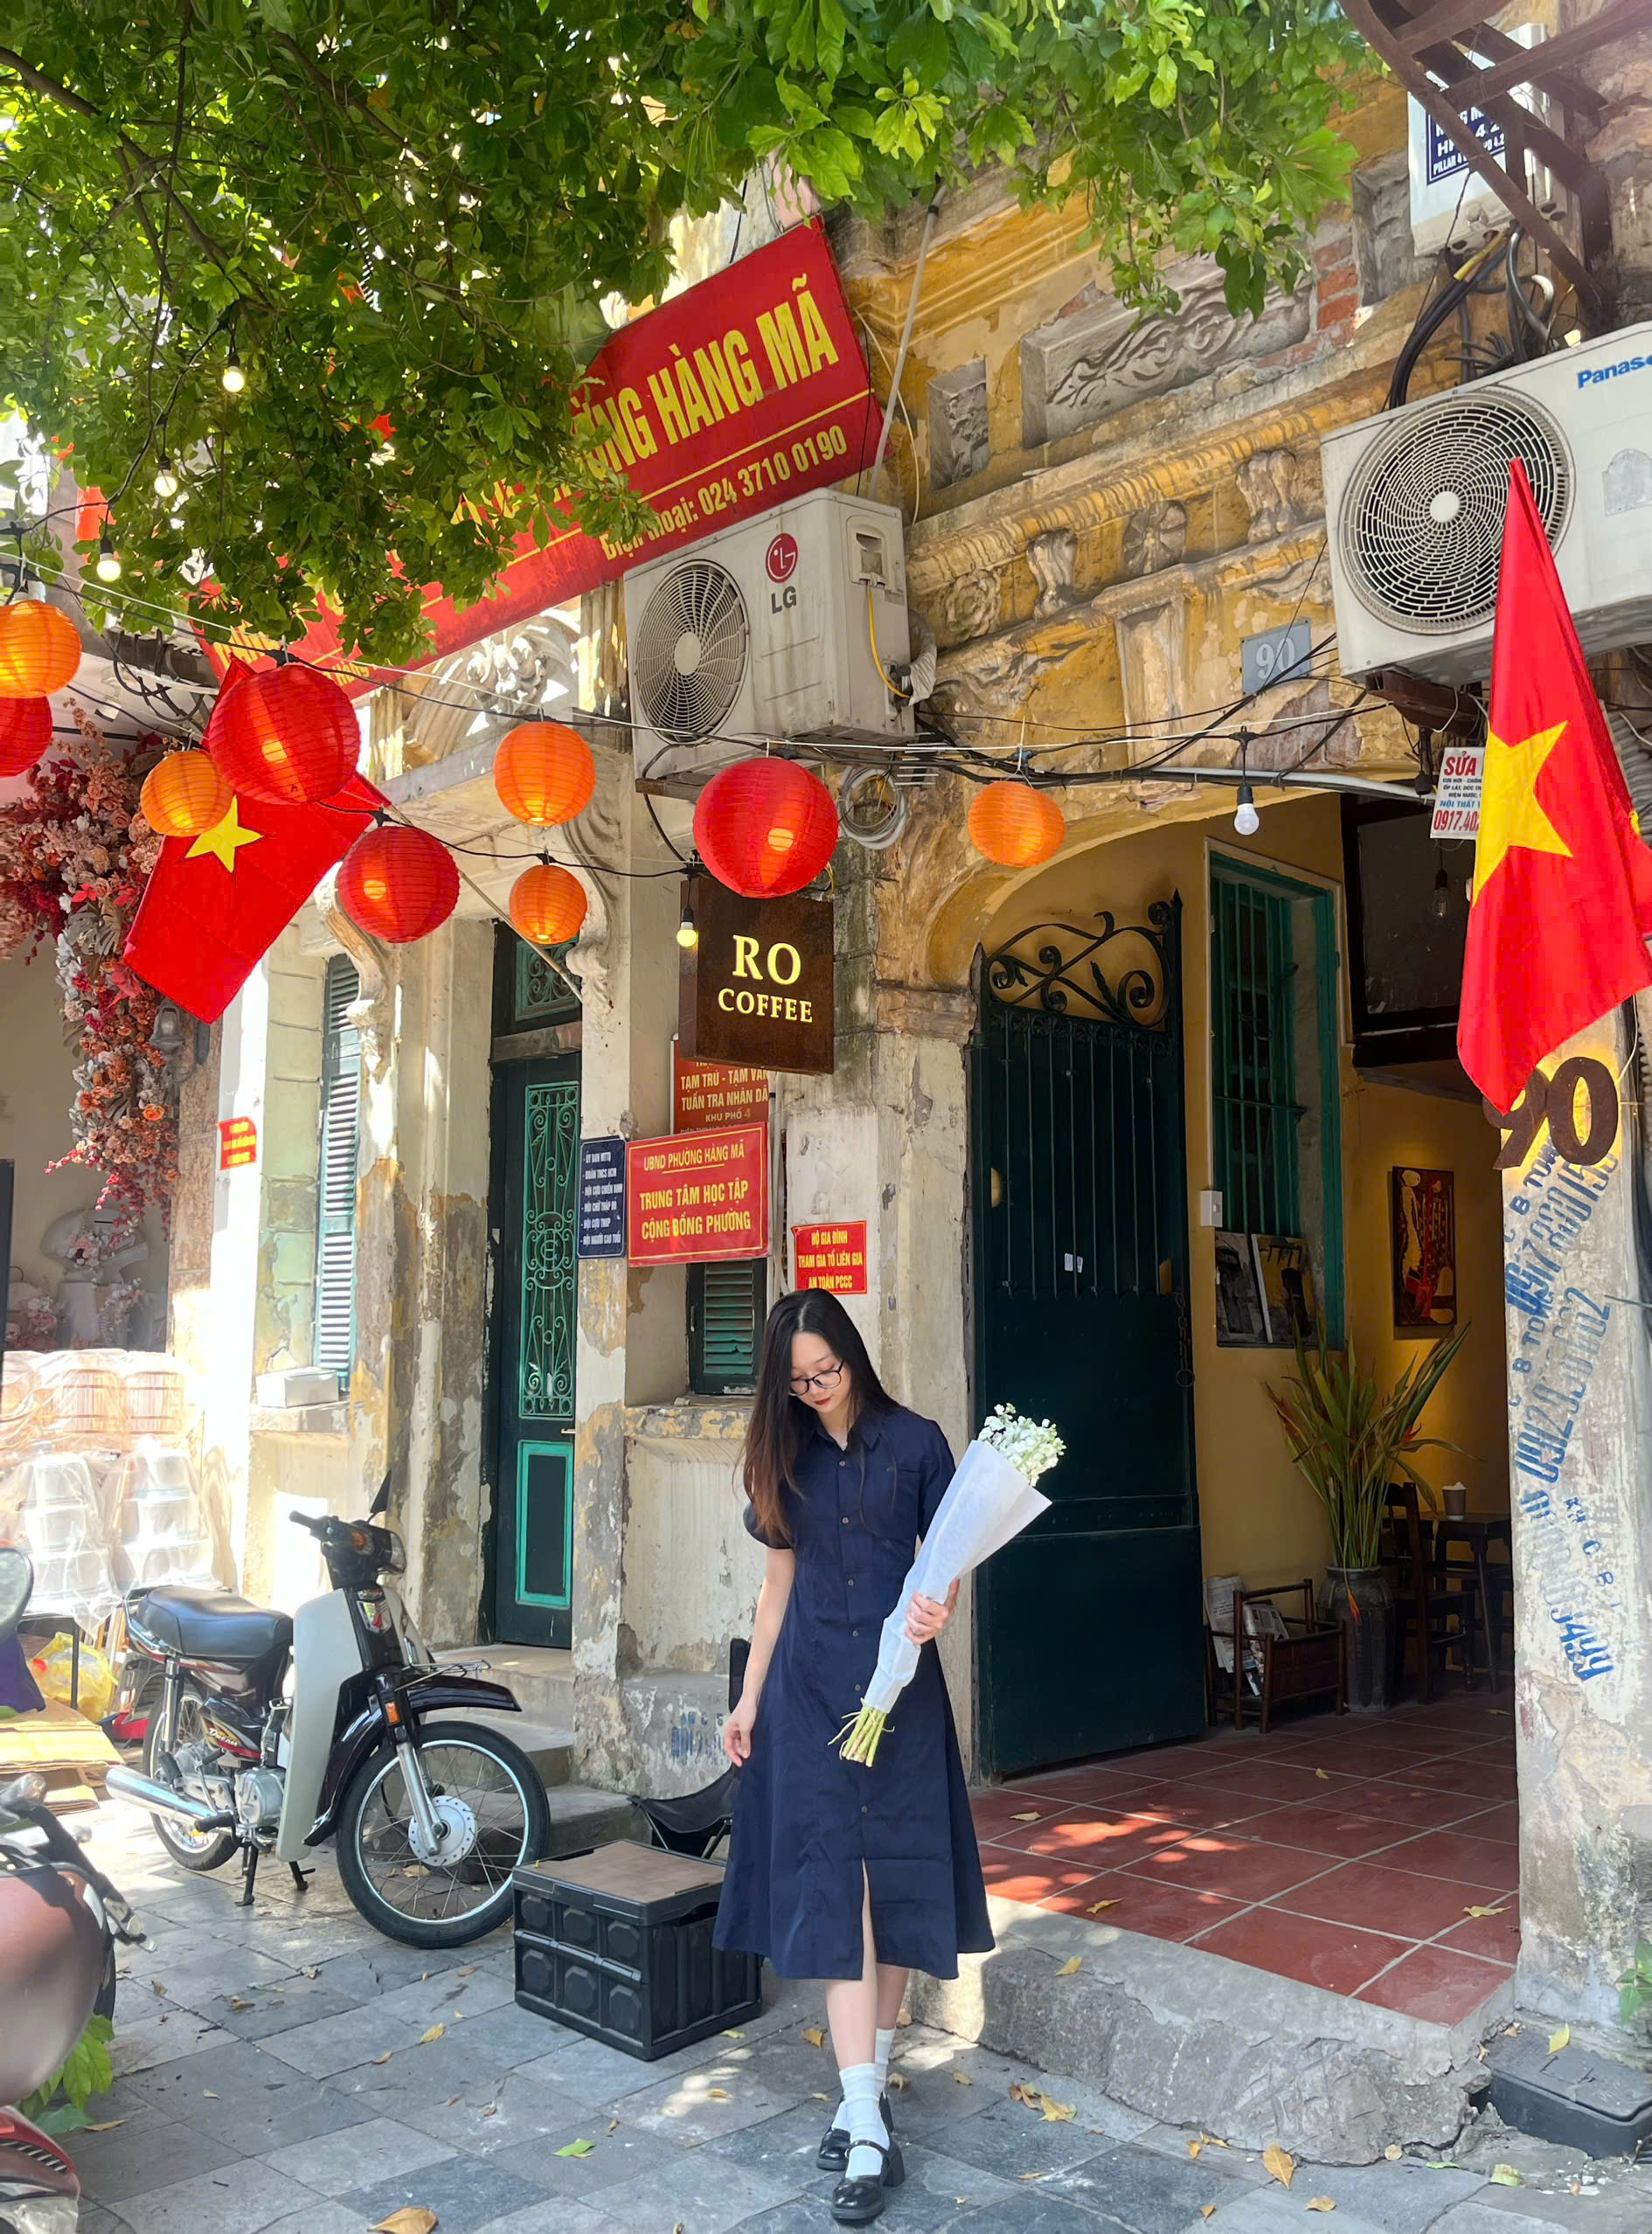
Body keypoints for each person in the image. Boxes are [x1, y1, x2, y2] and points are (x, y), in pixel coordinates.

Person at [712, 1288, 991, 2227]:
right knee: (836, 1890)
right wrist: (749, 1696)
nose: (815, 1389)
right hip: (808, 1696)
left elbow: (944, 1564)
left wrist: (938, 1606)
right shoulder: (783, 1454)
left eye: (825, 1371)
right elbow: (776, 1585)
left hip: (899, 1695)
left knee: (896, 1884)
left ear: (853, 1356)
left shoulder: (916, 1443)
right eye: (797, 1381)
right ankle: (866, 2117)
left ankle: (861, 2095)